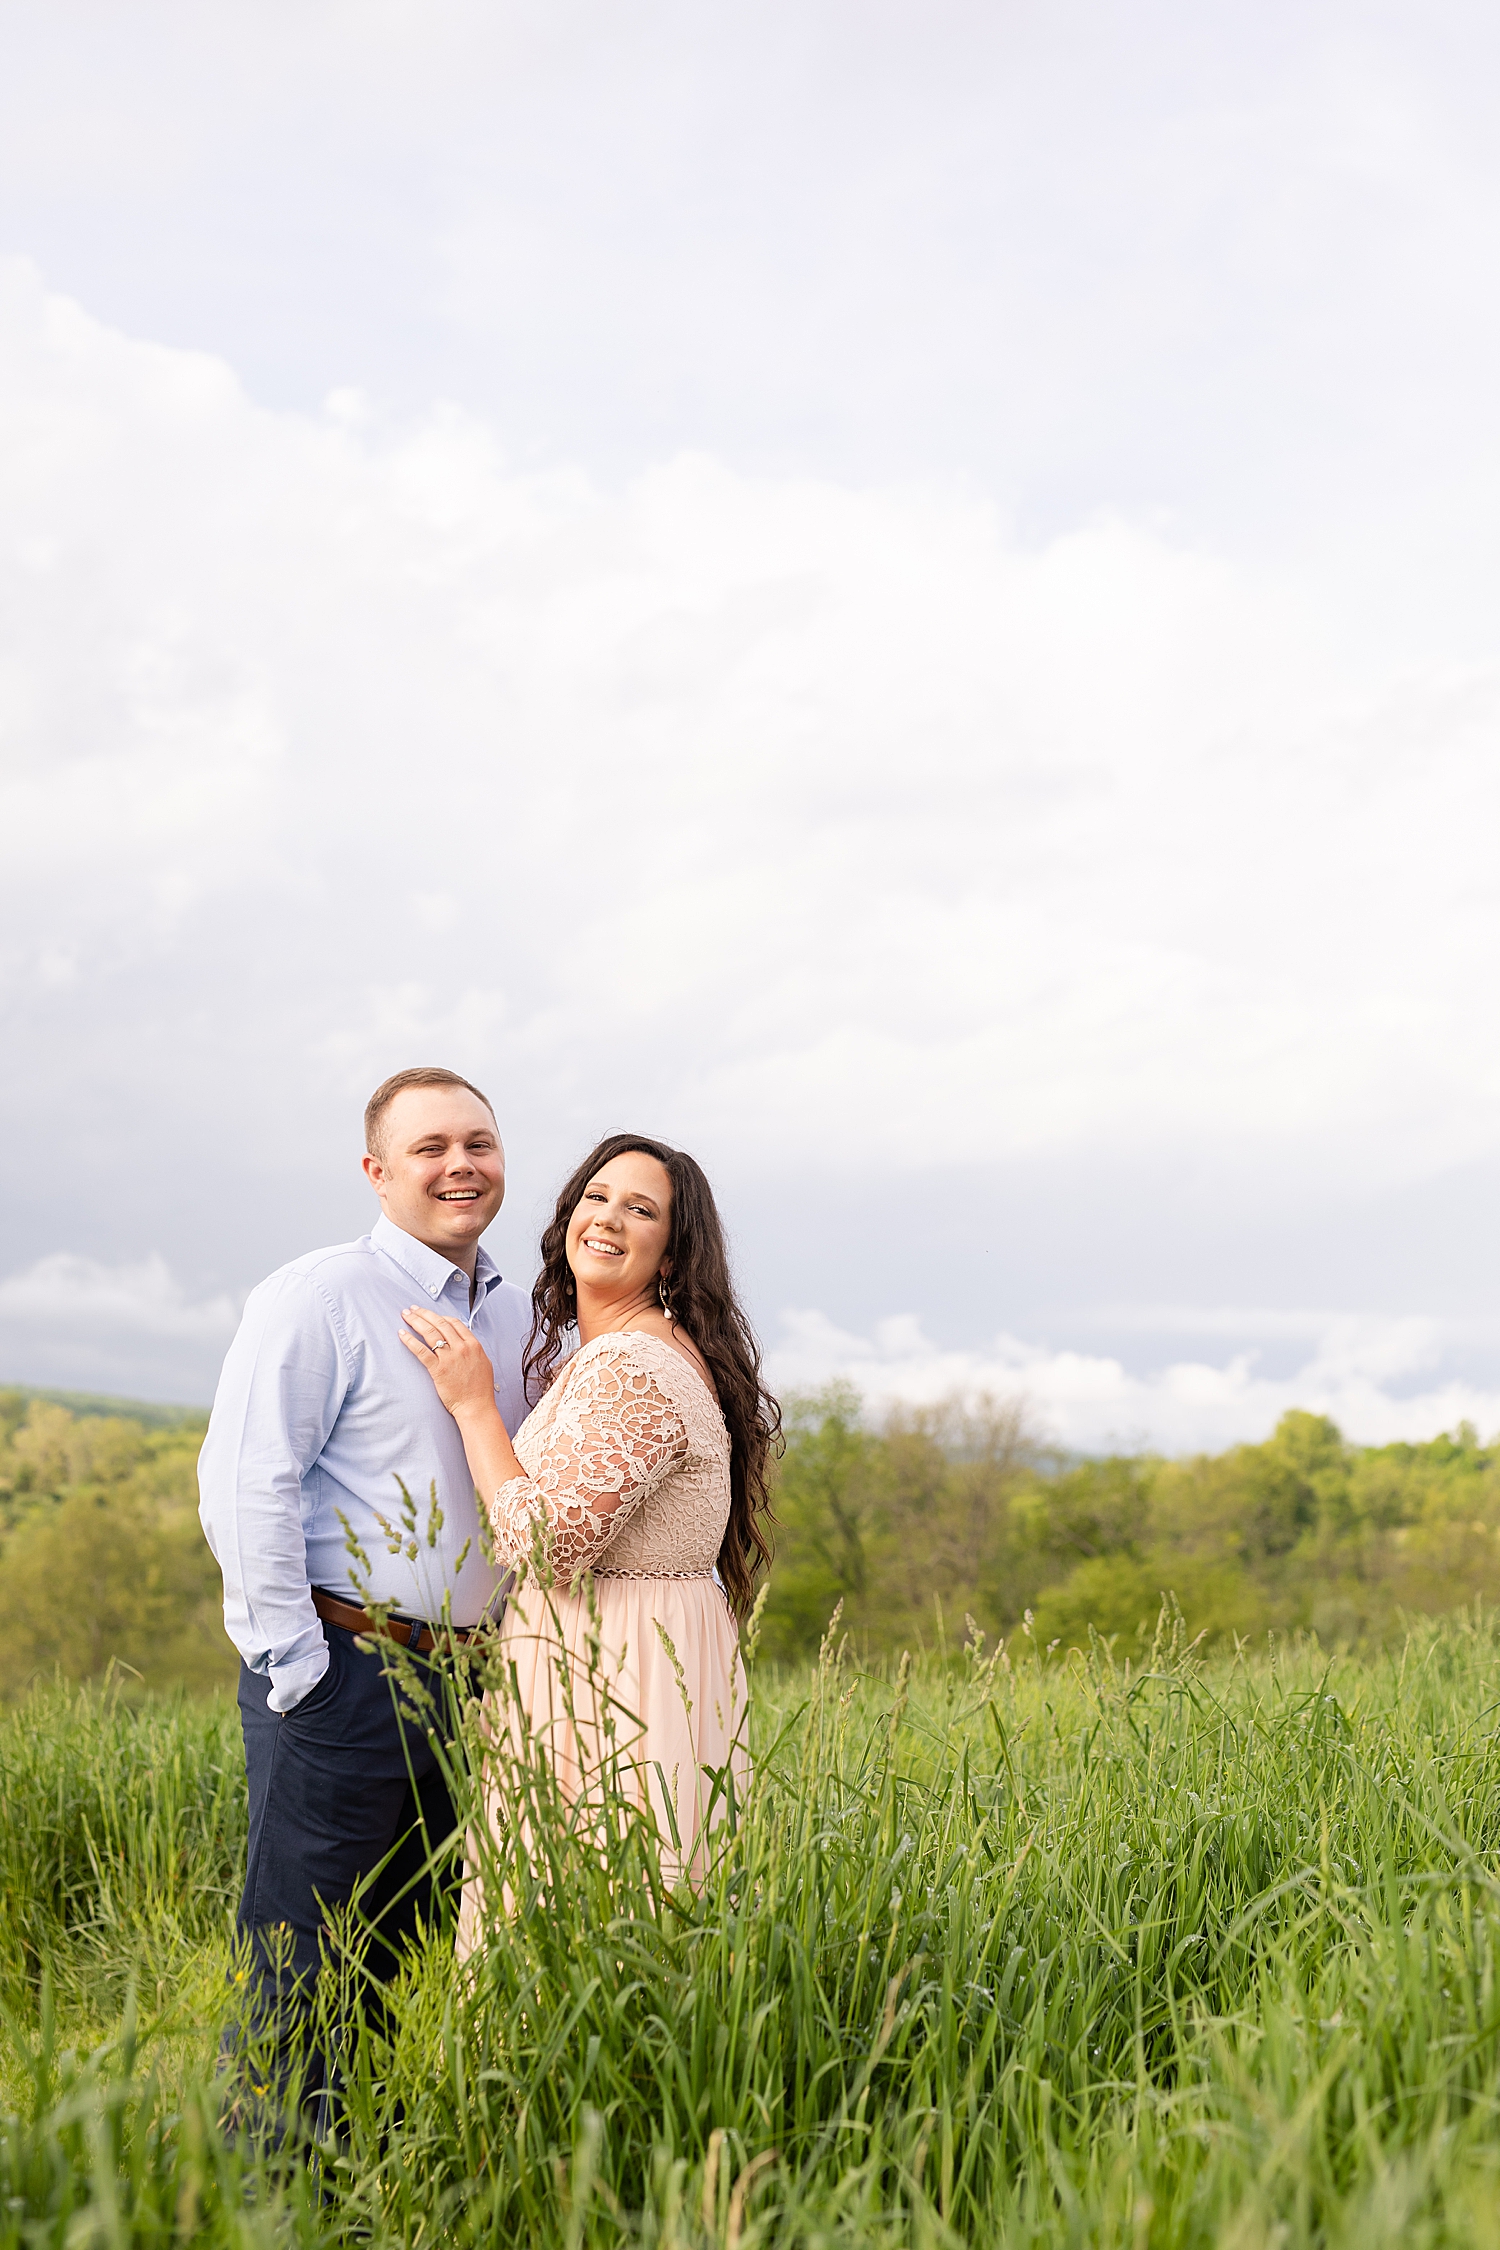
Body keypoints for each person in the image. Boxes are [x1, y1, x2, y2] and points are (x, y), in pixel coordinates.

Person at [197, 1066, 531, 2119]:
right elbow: (248, 1483)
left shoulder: (522, 1313)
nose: (459, 1165)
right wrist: (300, 1672)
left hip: (471, 1689)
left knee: (402, 1954)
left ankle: (362, 2180)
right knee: (302, 1968)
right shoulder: (322, 1295)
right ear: (377, 1172)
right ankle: (268, 2201)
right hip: (344, 1675)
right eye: (429, 1148)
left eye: (476, 1143)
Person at [398, 1131, 778, 1942]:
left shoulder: (632, 1367)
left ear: (672, 1256)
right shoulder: (614, 1354)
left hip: (617, 1672)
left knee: (596, 1927)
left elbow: (545, 1548)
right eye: (595, 1198)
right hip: (619, 1653)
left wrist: (472, 1405)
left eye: (640, 1209)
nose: (607, 1219)